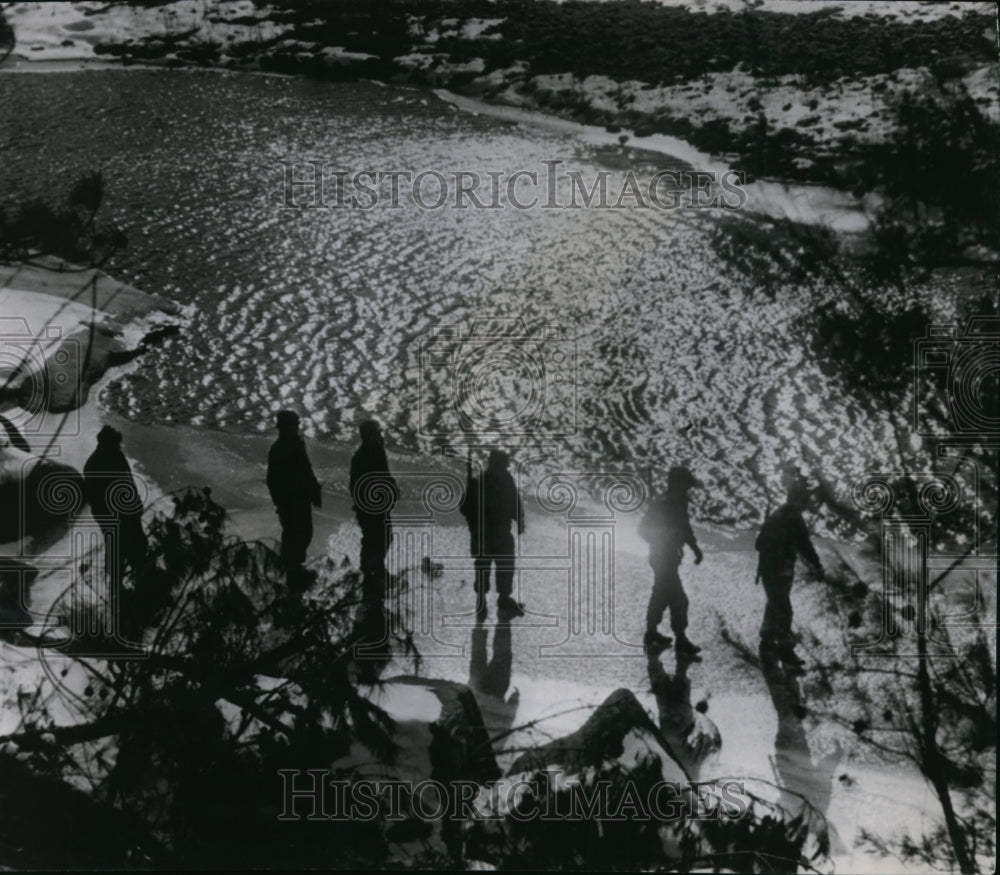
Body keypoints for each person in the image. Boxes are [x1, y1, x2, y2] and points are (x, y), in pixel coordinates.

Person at [755, 477, 826, 671]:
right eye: (804, 502)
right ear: (798, 501)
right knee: (784, 609)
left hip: (776, 570)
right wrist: (816, 565)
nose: (805, 507)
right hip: (777, 570)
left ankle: (767, 642)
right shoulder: (787, 518)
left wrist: (815, 564)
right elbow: (803, 545)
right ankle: (785, 650)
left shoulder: (784, 516)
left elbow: (761, 543)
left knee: (775, 604)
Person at [639, 465, 704, 656]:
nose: (687, 490)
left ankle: (651, 633)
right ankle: (680, 640)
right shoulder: (665, 504)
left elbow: (684, 528)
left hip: (666, 558)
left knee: (662, 594)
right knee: (678, 599)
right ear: (677, 485)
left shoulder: (677, 503)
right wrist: (663, 543)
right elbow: (643, 530)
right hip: (662, 559)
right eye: (685, 485)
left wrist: (694, 547)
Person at [464, 449, 525, 622]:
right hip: (499, 533)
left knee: (483, 567)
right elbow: (515, 502)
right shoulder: (503, 479)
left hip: (482, 534)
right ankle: (502, 599)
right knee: (504, 566)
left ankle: (483, 601)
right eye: (505, 463)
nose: (506, 466)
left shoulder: (481, 480)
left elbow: (466, 509)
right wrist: (520, 521)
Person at [83, 426, 147, 582]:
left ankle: (140, 577)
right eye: (115, 444)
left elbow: (128, 481)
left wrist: (135, 504)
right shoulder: (93, 465)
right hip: (111, 516)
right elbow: (95, 498)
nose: (118, 447)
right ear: (106, 444)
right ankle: (116, 585)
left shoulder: (116, 455)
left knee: (138, 544)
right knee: (116, 549)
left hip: (127, 511)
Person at [266, 410, 321, 586]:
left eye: (296, 425)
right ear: (284, 428)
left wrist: (314, 490)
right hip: (290, 500)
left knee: (303, 533)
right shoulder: (279, 449)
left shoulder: (297, 444)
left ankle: (295, 568)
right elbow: (272, 479)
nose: (296, 428)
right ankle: (293, 572)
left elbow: (307, 469)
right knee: (294, 535)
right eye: (293, 425)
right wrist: (279, 502)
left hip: (300, 497)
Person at [350, 419, 398, 600]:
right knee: (378, 539)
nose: (380, 435)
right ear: (370, 435)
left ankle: (374, 572)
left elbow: (383, 476)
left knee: (379, 539)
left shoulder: (372, 451)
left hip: (374, 506)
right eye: (377, 432)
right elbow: (361, 483)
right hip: (371, 507)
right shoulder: (368, 454)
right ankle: (371, 575)